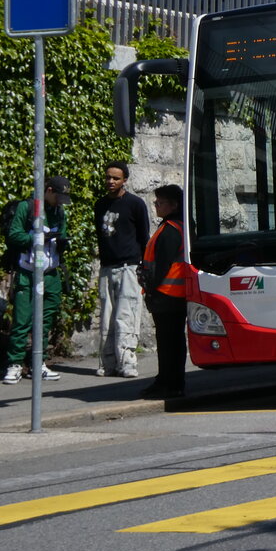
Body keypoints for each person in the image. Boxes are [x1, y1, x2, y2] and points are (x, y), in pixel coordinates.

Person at [1, 176, 72, 384]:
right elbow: (14, 235)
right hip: (28, 271)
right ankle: (14, 364)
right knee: (22, 320)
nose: (60, 202)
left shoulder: (59, 211)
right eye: (58, 197)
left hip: (50, 272)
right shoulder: (27, 207)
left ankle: (37, 363)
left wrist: (62, 241)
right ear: (48, 190)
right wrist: (37, 238)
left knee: (45, 321)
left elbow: (63, 232)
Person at [94, 160, 149, 378]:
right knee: (107, 317)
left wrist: (144, 266)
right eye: (108, 177)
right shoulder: (100, 205)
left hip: (129, 266)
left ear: (124, 180)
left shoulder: (135, 204)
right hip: (107, 267)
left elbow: (144, 236)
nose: (111, 181)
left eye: (116, 178)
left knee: (126, 316)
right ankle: (108, 363)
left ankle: (127, 363)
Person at [139, 184, 188, 399]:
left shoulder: (170, 230)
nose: (156, 206)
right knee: (172, 341)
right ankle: (168, 381)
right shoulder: (181, 225)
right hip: (175, 293)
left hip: (166, 293)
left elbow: (161, 265)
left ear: (173, 205)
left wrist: (151, 288)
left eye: (160, 203)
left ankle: (170, 383)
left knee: (169, 342)